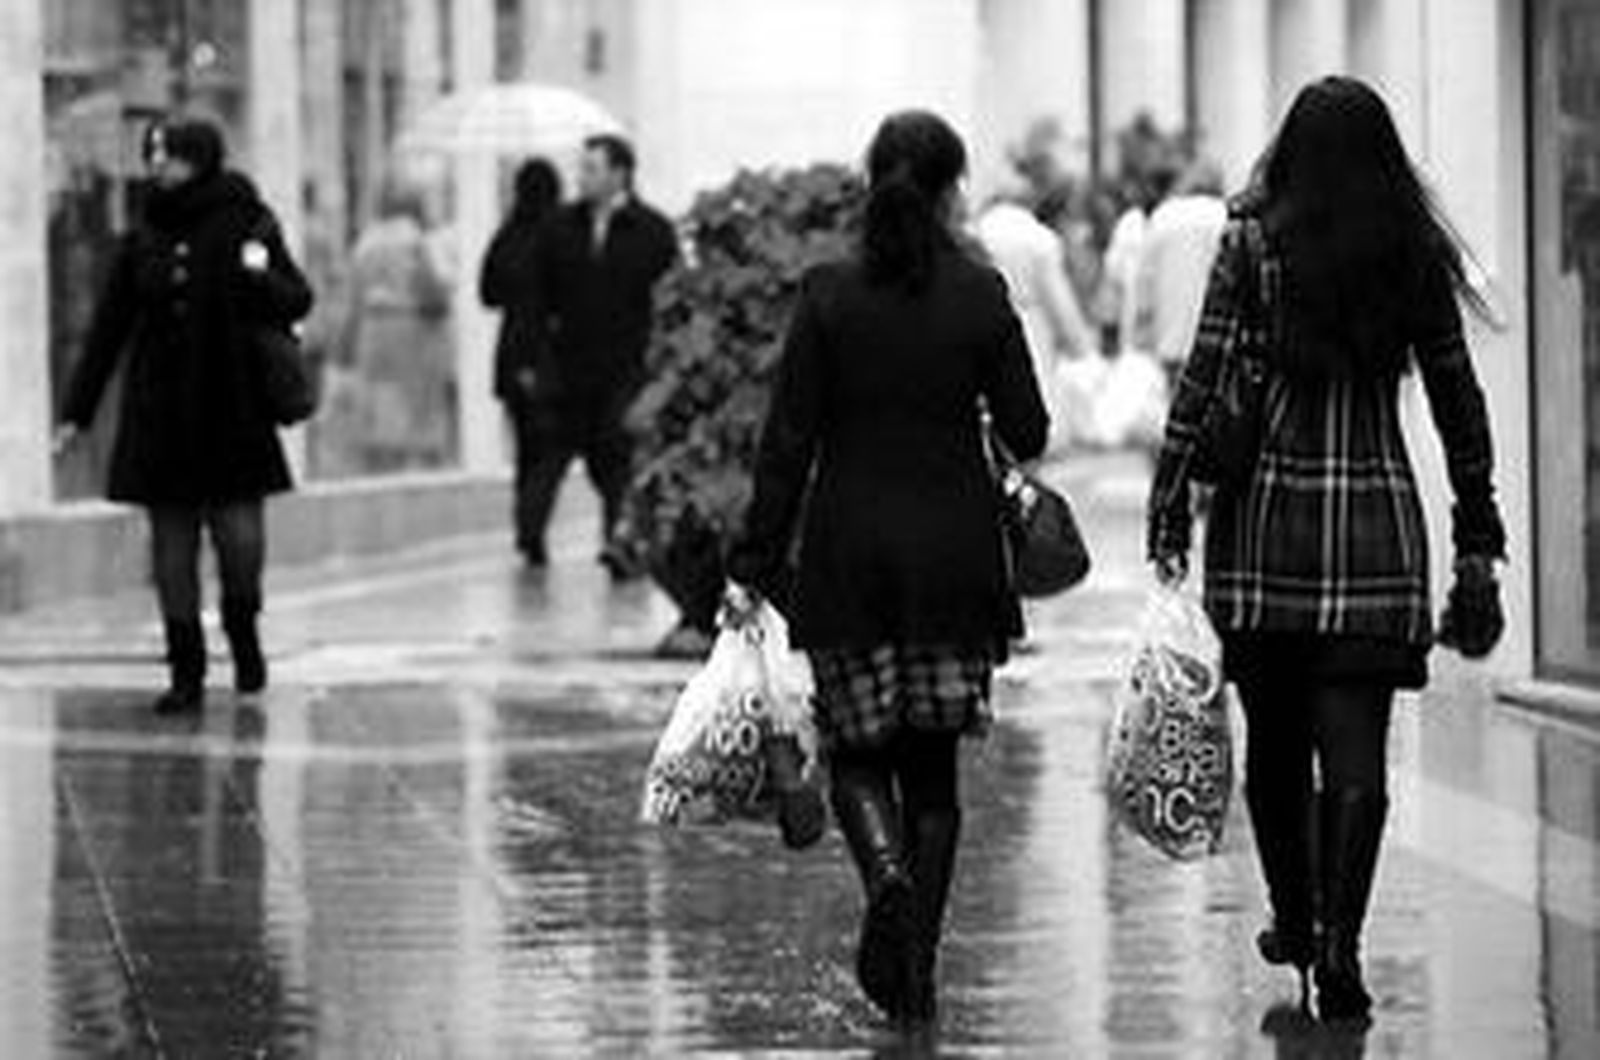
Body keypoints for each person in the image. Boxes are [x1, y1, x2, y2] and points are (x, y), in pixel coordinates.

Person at [1147, 77, 1507, 1023]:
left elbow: (1205, 374)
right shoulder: (1411, 252)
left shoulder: (1253, 243)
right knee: (1357, 753)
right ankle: (1342, 944)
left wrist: (1168, 495)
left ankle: (1295, 920)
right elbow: (1455, 395)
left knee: (1275, 745)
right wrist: (1478, 522)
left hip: (1265, 529)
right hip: (1376, 530)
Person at [728, 111, 1048, 1028]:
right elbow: (1028, 431)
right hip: (953, 569)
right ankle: (919, 969)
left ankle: (888, 881)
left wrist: (750, 562)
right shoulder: (980, 294)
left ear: (872, 182)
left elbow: (786, 443)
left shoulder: (827, 293)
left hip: (850, 563)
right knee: (935, 777)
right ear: (953, 189)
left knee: (860, 759)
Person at [56, 117, 313, 714]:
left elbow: (297, 297)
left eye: (166, 154)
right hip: (160, 414)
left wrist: (255, 276)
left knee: (240, 543)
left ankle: (242, 627)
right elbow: (109, 328)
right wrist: (78, 411)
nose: (156, 166)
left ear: (199, 158)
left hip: (233, 410)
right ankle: (186, 670)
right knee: (171, 549)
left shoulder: (247, 217)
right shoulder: (143, 229)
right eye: (151, 154)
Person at [525, 134, 678, 576]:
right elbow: (535, 299)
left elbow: (667, 302)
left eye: (592, 168)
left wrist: (657, 372)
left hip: (625, 370)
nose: (583, 177)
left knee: (617, 463)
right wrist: (534, 361)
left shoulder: (652, 231)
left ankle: (620, 548)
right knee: (548, 456)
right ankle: (529, 535)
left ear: (619, 173)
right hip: (567, 369)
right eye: (583, 168)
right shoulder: (558, 228)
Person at [480, 158, 564, 566]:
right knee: (548, 446)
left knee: (528, 447)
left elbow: (487, 293)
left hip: (511, 352)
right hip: (548, 352)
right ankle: (531, 526)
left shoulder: (507, 235)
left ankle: (527, 526)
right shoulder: (560, 234)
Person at [973, 194, 1100, 455]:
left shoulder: (977, 233)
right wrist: (1081, 346)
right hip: (1034, 323)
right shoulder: (1039, 239)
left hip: (986, 322)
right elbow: (1059, 300)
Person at [345, 182, 456, 472]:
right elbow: (434, 287)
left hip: (372, 330)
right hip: (411, 327)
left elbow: (353, 297)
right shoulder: (416, 239)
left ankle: (381, 465)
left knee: (379, 405)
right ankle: (413, 467)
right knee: (413, 411)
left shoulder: (365, 242)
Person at [1131, 159, 1228, 389]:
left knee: (1174, 405)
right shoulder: (1226, 216)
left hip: (1170, 339)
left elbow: (1144, 282)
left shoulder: (1164, 216)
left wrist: (1140, 334)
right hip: (1216, 342)